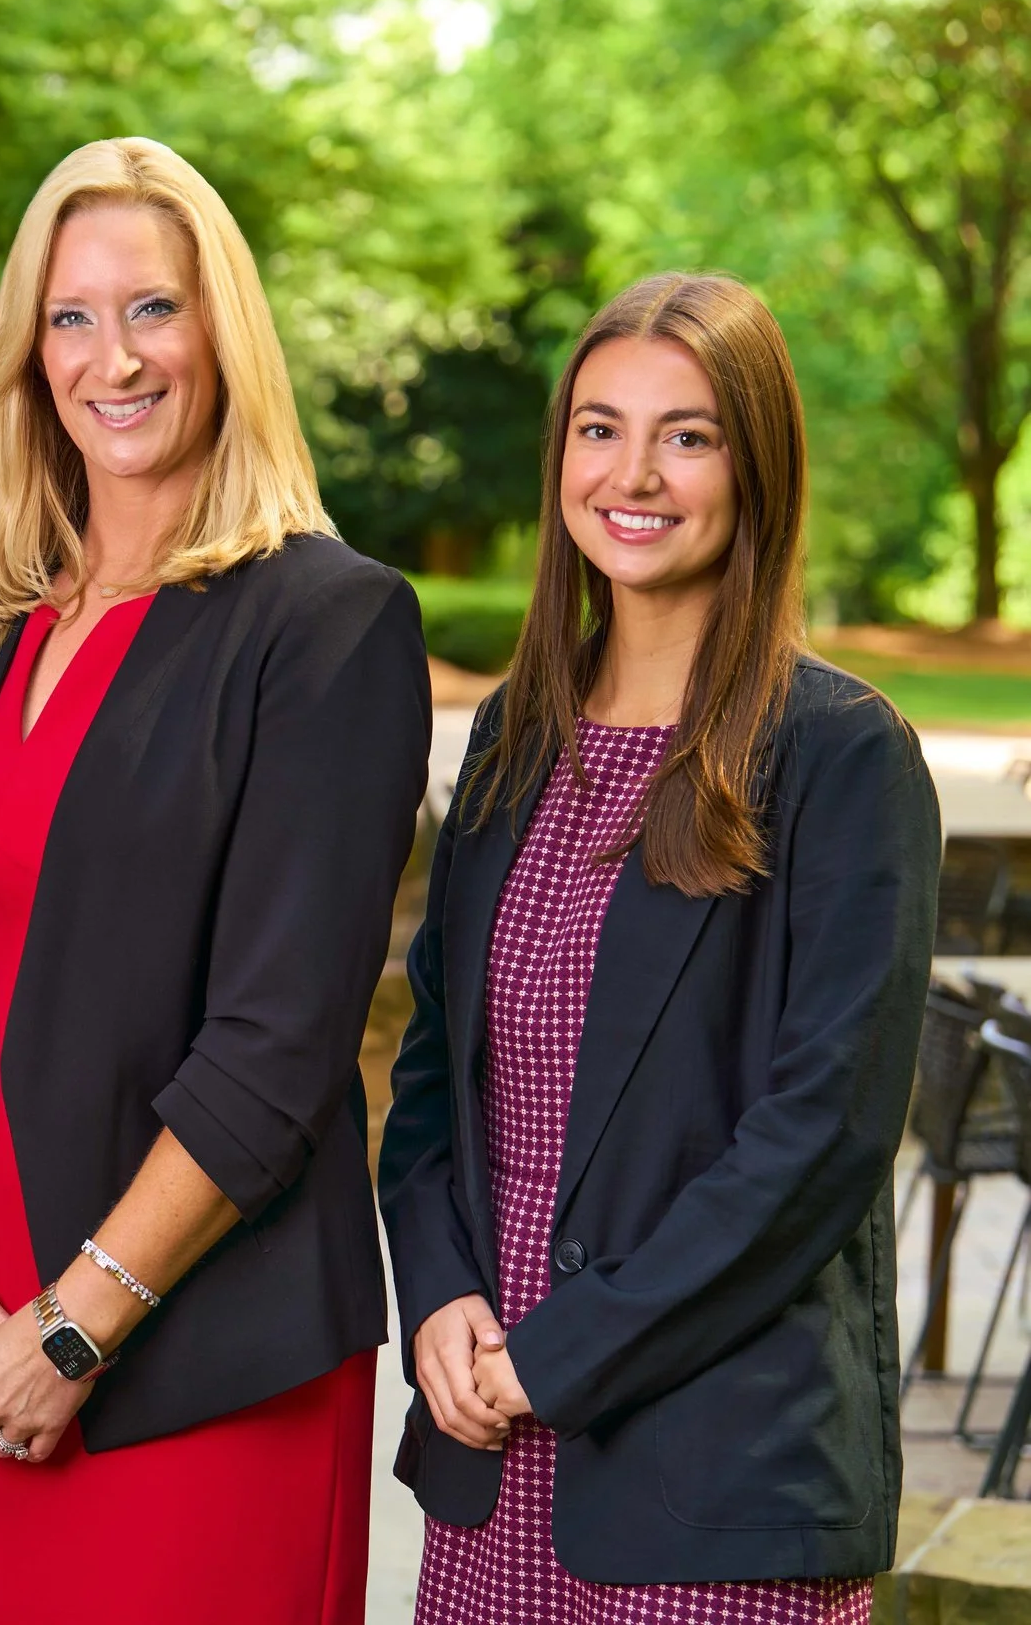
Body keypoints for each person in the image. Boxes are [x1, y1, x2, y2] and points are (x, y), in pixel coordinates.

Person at [0, 136, 431, 1623]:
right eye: (72, 316)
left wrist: (81, 1327)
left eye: (154, 309)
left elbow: (281, 1041)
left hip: (196, 1361)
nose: (115, 357)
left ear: (223, 331)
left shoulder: (328, 625)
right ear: (29, 351)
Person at [379, 272, 940, 1623]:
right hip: (493, 1446)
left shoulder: (841, 755)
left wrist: (562, 1356)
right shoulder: (520, 732)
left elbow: (821, 1143)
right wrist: (441, 1294)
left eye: (687, 435)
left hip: (713, 1482)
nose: (634, 472)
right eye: (599, 427)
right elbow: (433, 1079)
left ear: (757, 466)